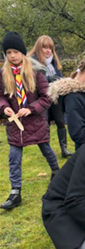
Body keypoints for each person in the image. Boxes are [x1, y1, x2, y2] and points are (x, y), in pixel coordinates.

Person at [0, 31, 59, 210]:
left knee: (46, 149)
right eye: (8, 52)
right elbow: (0, 96)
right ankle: (15, 191)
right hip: (15, 124)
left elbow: (47, 97)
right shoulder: (3, 74)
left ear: (22, 52)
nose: (12, 56)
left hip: (35, 121)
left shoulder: (36, 73)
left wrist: (31, 109)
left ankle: (57, 172)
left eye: (15, 52)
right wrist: (4, 107)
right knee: (14, 157)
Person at [28, 35, 72, 158]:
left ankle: (64, 149)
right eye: (45, 47)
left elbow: (60, 77)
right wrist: (49, 79)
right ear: (38, 48)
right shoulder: (32, 63)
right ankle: (48, 151)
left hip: (55, 97)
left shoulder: (54, 62)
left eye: (50, 48)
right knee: (44, 124)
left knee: (60, 121)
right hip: (41, 99)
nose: (48, 51)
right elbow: (31, 81)